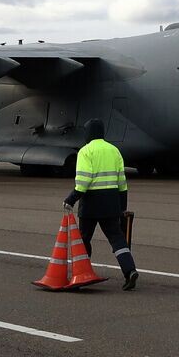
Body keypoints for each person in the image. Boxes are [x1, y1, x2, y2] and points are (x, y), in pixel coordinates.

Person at [64, 119, 139, 291]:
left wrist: (71, 199)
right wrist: (121, 208)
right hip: (112, 202)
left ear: (88, 132)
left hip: (90, 203)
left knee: (83, 239)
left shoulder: (86, 151)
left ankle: (81, 274)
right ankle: (130, 271)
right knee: (117, 239)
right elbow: (122, 182)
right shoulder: (114, 151)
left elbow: (83, 181)